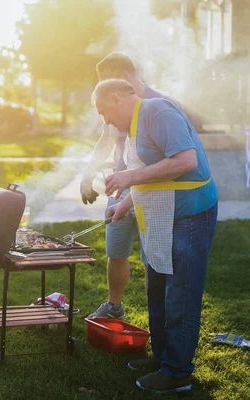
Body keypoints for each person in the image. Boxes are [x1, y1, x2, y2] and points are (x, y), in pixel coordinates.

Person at [93, 79, 218, 393]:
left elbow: (185, 162)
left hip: (189, 214)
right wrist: (125, 203)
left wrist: (129, 177)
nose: (105, 121)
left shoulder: (157, 111)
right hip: (161, 216)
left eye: (104, 113)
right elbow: (154, 172)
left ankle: (177, 372)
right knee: (157, 289)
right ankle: (163, 358)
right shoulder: (133, 124)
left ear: (116, 98)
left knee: (181, 295)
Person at [81, 53, 183, 319]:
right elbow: (106, 139)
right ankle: (114, 307)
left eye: (107, 81)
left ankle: (158, 319)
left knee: (154, 258)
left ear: (124, 77)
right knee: (116, 251)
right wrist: (87, 175)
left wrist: (136, 181)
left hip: (154, 190)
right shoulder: (114, 102)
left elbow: (179, 158)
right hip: (120, 188)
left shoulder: (159, 105)